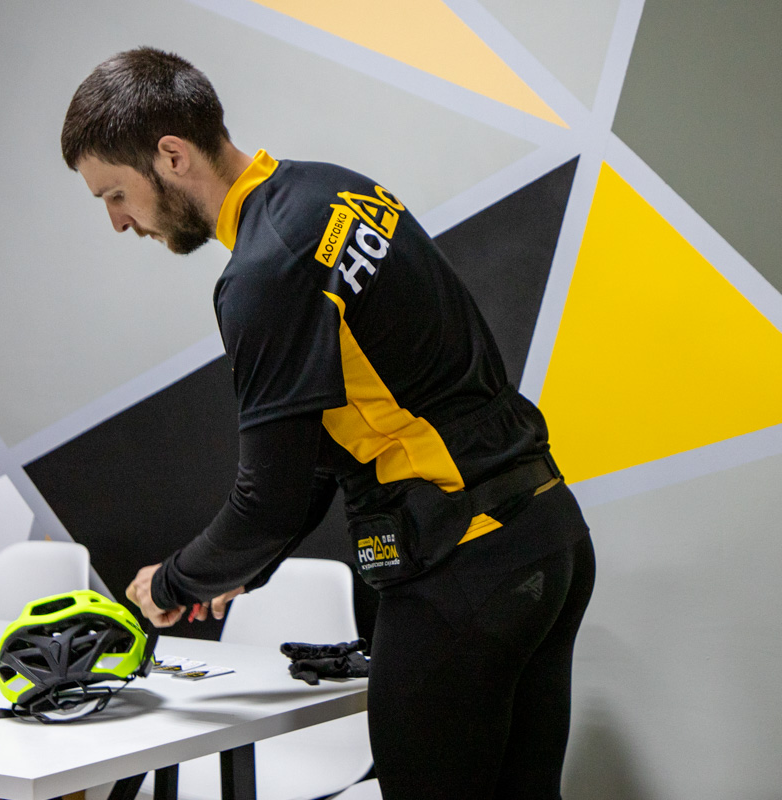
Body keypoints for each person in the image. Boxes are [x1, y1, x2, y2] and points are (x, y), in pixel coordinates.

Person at [60, 46, 594, 800]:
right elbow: (322, 452)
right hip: (545, 537)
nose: (118, 221)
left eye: (115, 194)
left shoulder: (264, 271)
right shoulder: (334, 191)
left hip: (461, 568)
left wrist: (169, 582)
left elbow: (267, 501)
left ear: (171, 156)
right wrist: (237, 570)